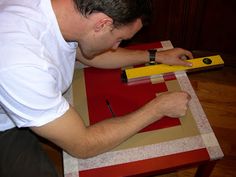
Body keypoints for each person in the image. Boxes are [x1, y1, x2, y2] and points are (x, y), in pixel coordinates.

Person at [0, 0, 193, 176]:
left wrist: (155, 56)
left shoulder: (65, 11)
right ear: (102, 24)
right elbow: (82, 145)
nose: (116, 46)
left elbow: (90, 53)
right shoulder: (23, 64)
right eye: (119, 39)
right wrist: (158, 108)